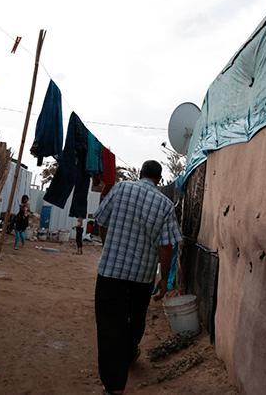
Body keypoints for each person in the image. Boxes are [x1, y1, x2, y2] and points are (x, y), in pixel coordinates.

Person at [93, 160, 183, 395]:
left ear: (140, 173)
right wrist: (163, 278)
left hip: (111, 273)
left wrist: (107, 246)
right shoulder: (165, 204)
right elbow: (166, 246)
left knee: (111, 326)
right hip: (142, 277)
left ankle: (114, 387)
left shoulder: (121, 188)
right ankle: (130, 351)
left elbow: (101, 221)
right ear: (159, 180)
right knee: (137, 318)